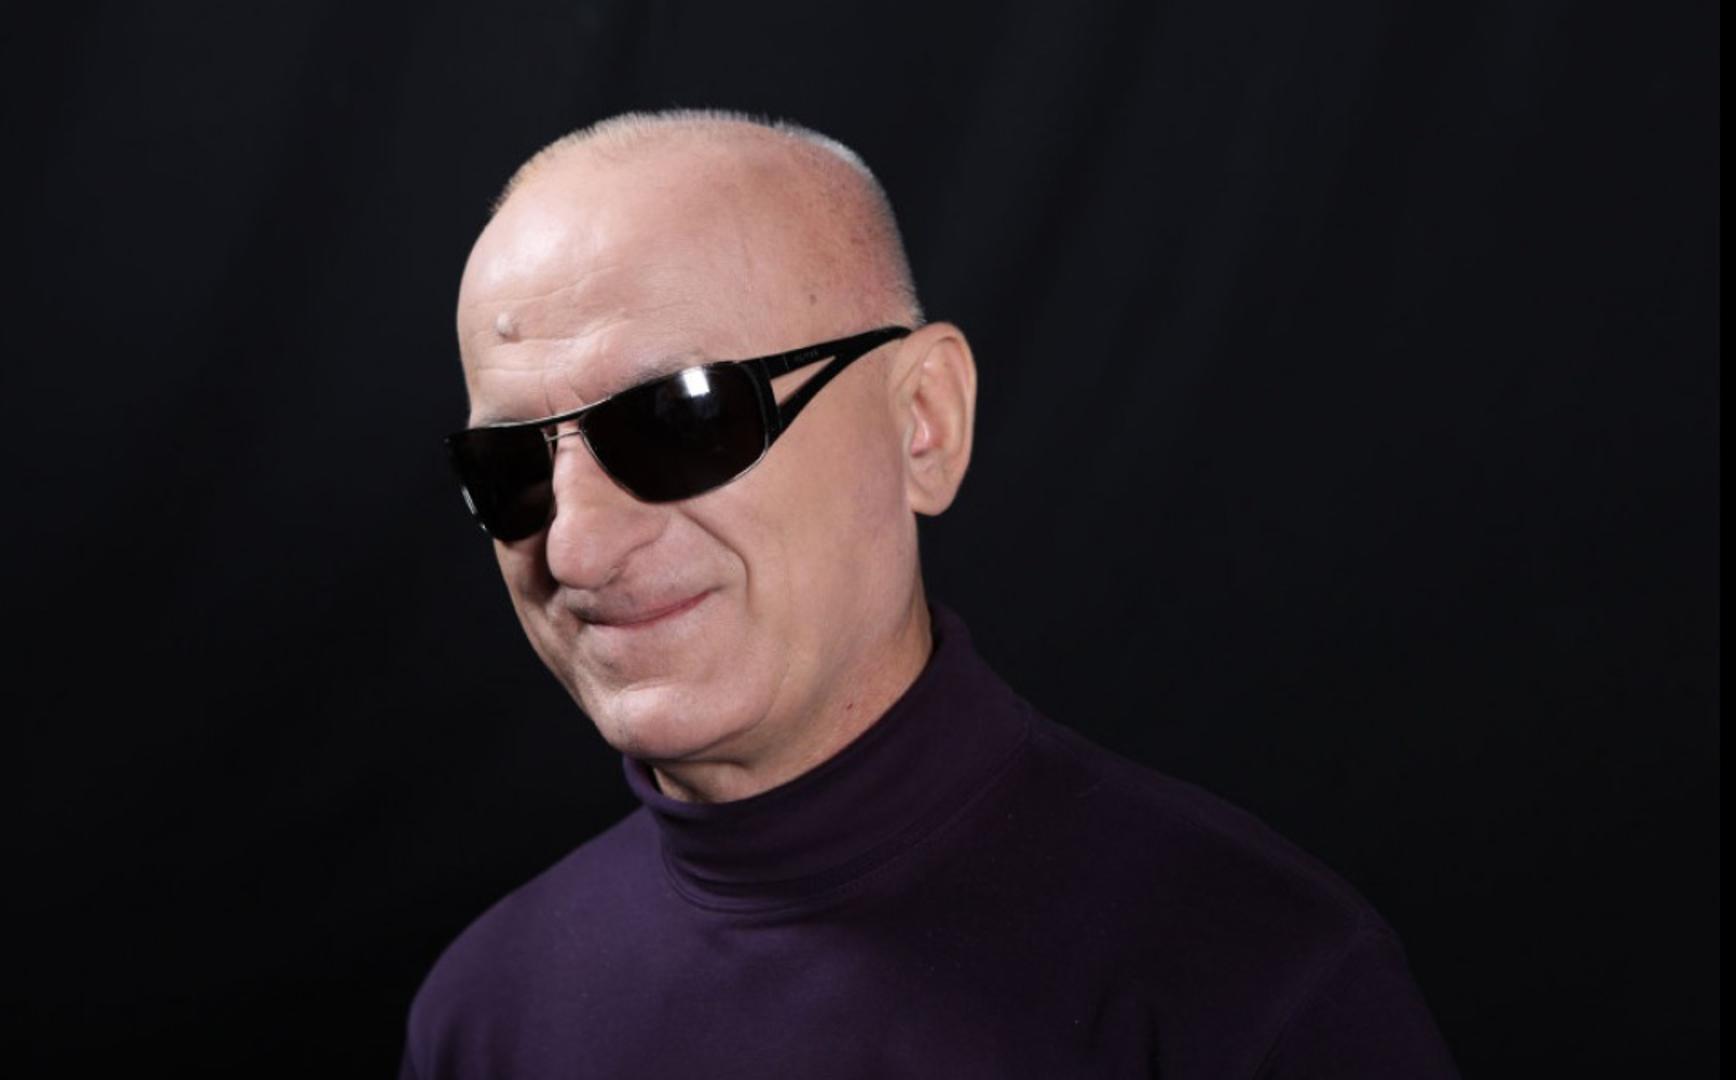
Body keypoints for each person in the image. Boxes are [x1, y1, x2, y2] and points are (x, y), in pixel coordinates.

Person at [401, 110, 1460, 1079]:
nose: (576, 547)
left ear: (923, 424)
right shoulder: (482, 1018)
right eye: (510, 467)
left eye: (678, 420)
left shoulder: (1259, 993)